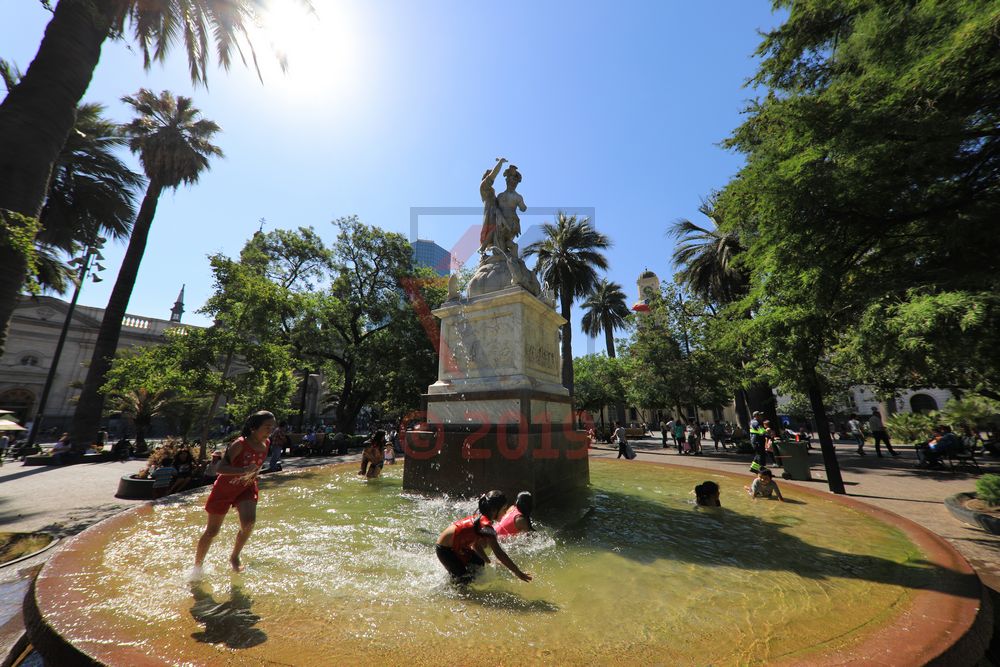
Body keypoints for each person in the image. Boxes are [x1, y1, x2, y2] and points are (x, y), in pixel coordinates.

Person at [194, 410, 275, 574]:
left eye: (272, 427)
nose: (270, 430)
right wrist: (244, 470)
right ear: (254, 428)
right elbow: (220, 469)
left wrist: (253, 475)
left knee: (249, 523)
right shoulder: (240, 444)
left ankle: (235, 556)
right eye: (267, 427)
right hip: (224, 489)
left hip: (246, 488)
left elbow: (256, 466)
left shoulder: (266, 444)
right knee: (212, 531)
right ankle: (197, 566)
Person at [435, 490, 532, 584]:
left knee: (479, 563)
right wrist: (518, 573)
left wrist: (488, 561)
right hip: (445, 550)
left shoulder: (482, 519)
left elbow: (475, 545)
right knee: (463, 580)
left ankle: (457, 580)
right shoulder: (486, 526)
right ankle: (458, 594)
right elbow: (499, 553)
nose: (505, 513)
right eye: (503, 509)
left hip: (455, 546)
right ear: (494, 510)